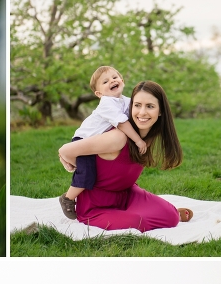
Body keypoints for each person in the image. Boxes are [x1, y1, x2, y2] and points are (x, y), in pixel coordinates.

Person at [57, 81, 192, 231]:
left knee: (171, 218)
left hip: (127, 194)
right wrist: (76, 166)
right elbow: (65, 151)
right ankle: (131, 215)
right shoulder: (118, 138)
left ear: (160, 111)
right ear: (130, 106)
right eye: (137, 105)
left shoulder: (149, 135)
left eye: (150, 106)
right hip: (95, 206)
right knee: (139, 222)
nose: (142, 113)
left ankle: (164, 213)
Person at [58, 66, 149, 219]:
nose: (112, 81)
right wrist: (138, 140)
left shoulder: (126, 101)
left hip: (99, 142)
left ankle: (69, 161)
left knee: (97, 170)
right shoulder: (107, 103)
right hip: (84, 139)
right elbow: (122, 123)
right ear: (99, 94)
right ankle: (67, 197)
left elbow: (137, 108)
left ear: (122, 81)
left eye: (115, 77)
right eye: (105, 81)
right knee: (87, 172)